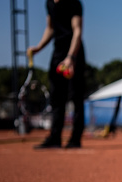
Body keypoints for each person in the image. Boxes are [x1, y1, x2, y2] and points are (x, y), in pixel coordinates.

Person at [30, 0, 86, 149]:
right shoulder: (49, 3)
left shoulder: (74, 3)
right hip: (58, 52)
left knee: (76, 97)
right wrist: (39, 47)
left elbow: (77, 31)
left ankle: (75, 139)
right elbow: (50, 28)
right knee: (56, 98)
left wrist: (71, 57)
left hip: (74, 53)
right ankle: (55, 137)